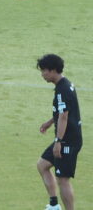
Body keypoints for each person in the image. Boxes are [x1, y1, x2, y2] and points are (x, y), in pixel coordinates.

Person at [37, 53, 82, 210]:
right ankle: (54, 205)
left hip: (67, 140)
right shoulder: (64, 85)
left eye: (44, 71)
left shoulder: (63, 89)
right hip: (65, 138)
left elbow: (64, 117)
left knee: (63, 179)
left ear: (54, 70)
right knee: (42, 165)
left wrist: (58, 142)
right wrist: (50, 122)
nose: (42, 74)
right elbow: (63, 112)